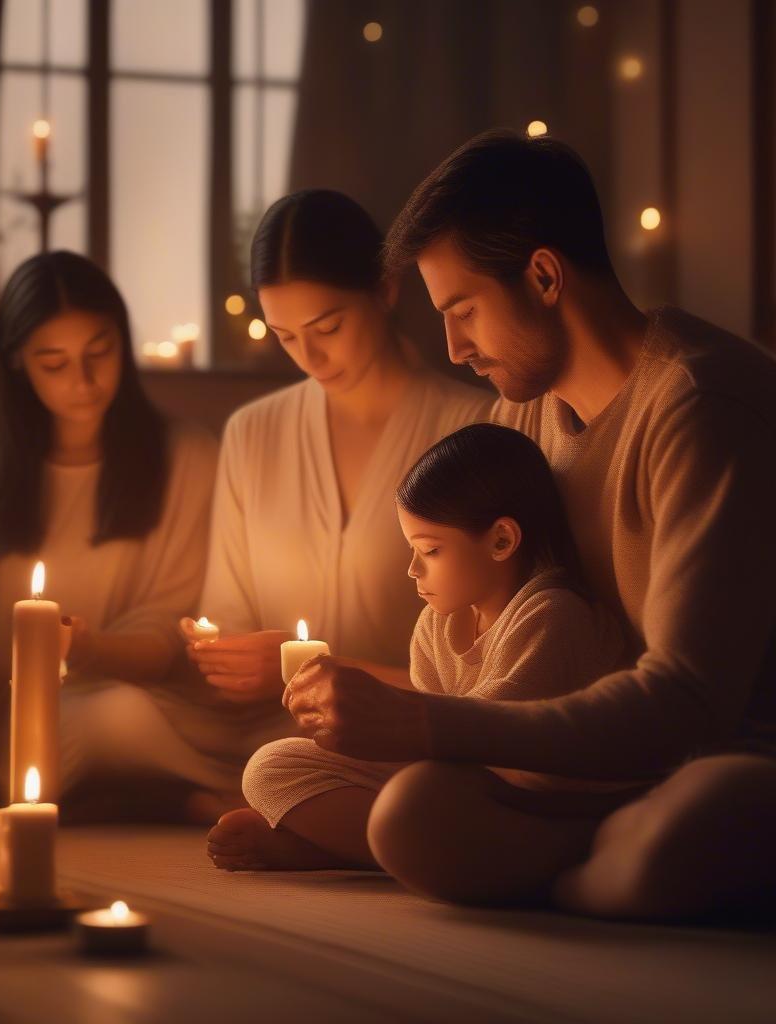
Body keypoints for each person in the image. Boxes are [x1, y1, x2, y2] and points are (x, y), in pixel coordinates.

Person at [282, 130, 776, 920]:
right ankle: (600, 868)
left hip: (714, 756)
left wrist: (427, 722)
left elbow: (686, 701)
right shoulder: (522, 412)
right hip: (591, 775)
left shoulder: (699, 405)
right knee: (409, 812)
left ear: (544, 275)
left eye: (463, 310)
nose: (454, 347)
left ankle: (608, 869)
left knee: (707, 810)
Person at [0, 251, 228, 806]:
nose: (83, 380)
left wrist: (86, 648)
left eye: (99, 352)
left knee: (110, 720)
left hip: (102, 701)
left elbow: (164, 634)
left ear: (122, 342)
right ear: (17, 363)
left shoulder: (186, 457)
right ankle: (96, 792)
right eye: (54, 362)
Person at [208, 424, 626, 883]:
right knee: (272, 765)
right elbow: (429, 751)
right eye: (412, 548)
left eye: (430, 550)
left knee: (419, 801)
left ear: (502, 541)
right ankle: (375, 847)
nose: (413, 568)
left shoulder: (552, 614)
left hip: (538, 806)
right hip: (455, 785)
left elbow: (500, 739)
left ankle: (339, 848)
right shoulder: (437, 622)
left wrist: (385, 724)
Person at [180, 189, 492, 794]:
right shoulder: (253, 432)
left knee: (417, 779)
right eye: (284, 335)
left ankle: (274, 799)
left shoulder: (473, 429)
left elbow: (482, 675)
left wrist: (338, 674)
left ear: (386, 289)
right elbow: (230, 611)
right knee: (119, 721)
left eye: (328, 326)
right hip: (265, 733)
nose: (310, 356)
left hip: (409, 730)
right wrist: (222, 655)